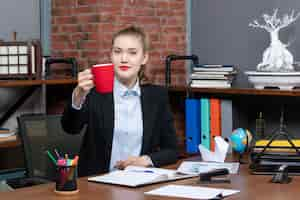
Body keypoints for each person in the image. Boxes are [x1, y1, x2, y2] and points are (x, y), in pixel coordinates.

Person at [61, 26, 178, 177]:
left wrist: (146, 160)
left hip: (139, 181)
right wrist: (78, 96)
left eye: (132, 52)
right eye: (117, 51)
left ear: (144, 58)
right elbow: (70, 128)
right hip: (97, 186)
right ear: (111, 56)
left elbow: (172, 150)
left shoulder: (157, 97)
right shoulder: (93, 93)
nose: (124, 58)